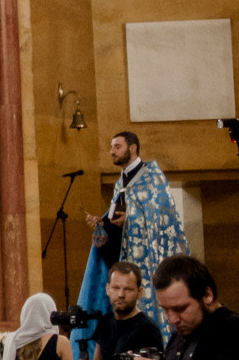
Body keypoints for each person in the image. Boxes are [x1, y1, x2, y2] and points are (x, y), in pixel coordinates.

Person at [78, 130, 190, 339]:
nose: (112, 152)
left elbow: (162, 219)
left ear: (132, 148)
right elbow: (116, 220)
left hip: (148, 263)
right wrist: (102, 224)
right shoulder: (120, 183)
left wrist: (130, 220)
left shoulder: (152, 178)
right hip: (127, 262)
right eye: (111, 147)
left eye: (117, 147)